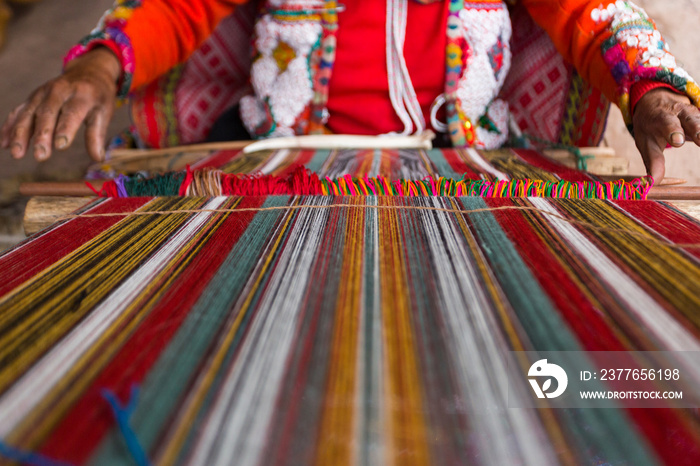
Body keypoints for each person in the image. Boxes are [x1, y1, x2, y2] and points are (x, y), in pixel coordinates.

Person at [2, 0, 699, 182]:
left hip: (472, 169)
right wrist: (99, 66)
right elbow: (179, 7)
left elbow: (587, 12)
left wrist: (646, 88)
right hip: (278, 166)